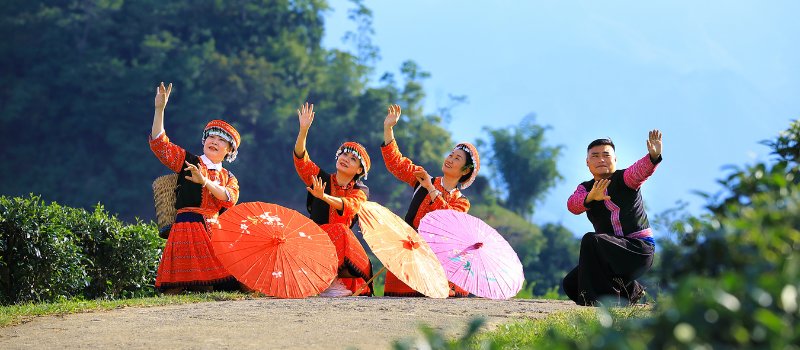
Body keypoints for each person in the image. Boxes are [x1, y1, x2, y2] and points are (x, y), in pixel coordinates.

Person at [149, 82, 241, 294]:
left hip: (214, 231)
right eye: (211, 137)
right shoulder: (188, 161)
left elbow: (229, 199)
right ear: (204, 141)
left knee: (214, 286)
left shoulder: (229, 176)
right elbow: (160, 145)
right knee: (177, 287)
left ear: (229, 151)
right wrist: (159, 110)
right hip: (186, 225)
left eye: (221, 140)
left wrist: (205, 182)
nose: (214, 142)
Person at [381, 104, 480, 297]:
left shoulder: (462, 202)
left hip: (438, 255)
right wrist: (388, 129)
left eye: (457, 158)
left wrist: (431, 189)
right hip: (411, 247)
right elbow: (397, 163)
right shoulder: (423, 178)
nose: (450, 159)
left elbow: (448, 219)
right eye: (451, 154)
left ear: (465, 170)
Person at [562, 130, 663, 306]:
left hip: (637, 251)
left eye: (606, 155)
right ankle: (630, 291)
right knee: (571, 284)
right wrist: (591, 197)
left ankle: (599, 305)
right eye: (595, 156)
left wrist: (653, 156)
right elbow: (572, 206)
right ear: (587, 163)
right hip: (610, 255)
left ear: (614, 160)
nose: (601, 159)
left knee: (591, 240)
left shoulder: (625, 179)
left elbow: (640, 171)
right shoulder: (585, 188)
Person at [293, 102, 373, 296]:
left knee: (340, 230)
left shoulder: (360, 190)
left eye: (353, 159)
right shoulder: (321, 177)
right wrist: (303, 130)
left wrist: (324, 197)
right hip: (315, 241)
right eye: (344, 154)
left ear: (359, 170)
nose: (345, 158)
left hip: (343, 246)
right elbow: (301, 159)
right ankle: (325, 280)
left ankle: (332, 280)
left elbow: (350, 207)